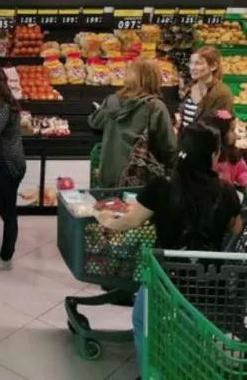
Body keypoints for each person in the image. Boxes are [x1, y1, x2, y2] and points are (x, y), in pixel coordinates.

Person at [97, 122, 242, 375]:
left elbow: (132, 221)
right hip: (207, 280)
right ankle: (183, 370)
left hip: (164, 276)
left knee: (143, 321)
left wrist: (105, 218)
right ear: (213, 155)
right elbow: (235, 227)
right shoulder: (227, 192)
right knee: (190, 329)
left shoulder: (162, 186)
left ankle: (152, 372)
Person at [88, 59, 177, 188]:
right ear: (154, 79)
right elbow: (169, 148)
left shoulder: (111, 101)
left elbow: (94, 123)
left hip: (108, 178)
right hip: (139, 179)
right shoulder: (155, 106)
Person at [0, 68, 26, 270]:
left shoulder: (3, 105)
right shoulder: (2, 101)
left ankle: (5, 257)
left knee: (8, 213)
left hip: (9, 165)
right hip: (4, 163)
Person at [178, 46, 234, 129]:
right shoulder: (190, 87)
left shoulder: (222, 93)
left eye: (198, 63)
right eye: (191, 63)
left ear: (213, 66)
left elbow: (222, 123)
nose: (192, 67)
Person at [201, 110, 247, 187]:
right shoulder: (209, 158)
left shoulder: (233, 152)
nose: (235, 134)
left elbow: (242, 171)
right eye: (232, 130)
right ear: (220, 134)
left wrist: (244, 180)